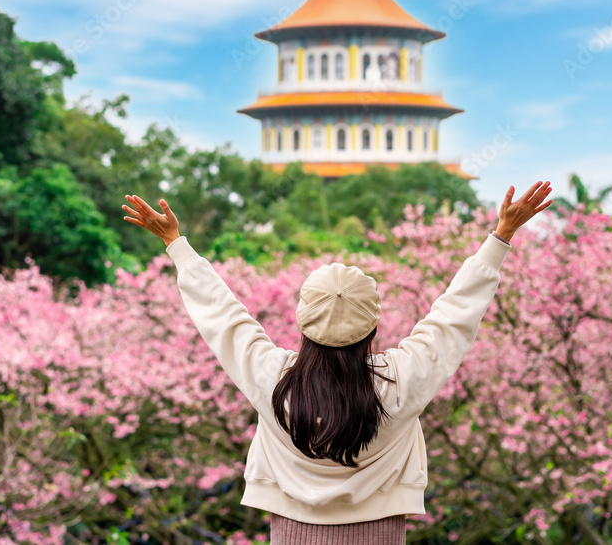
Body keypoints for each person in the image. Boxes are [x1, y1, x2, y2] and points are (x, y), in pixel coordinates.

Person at [121, 181, 553, 543]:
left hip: (290, 529)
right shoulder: (399, 381)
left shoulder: (274, 380)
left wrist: (176, 244)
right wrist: (500, 238)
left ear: (304, 323)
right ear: (373, 327)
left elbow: (224, 318)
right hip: (380, 530)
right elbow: (453, 317)